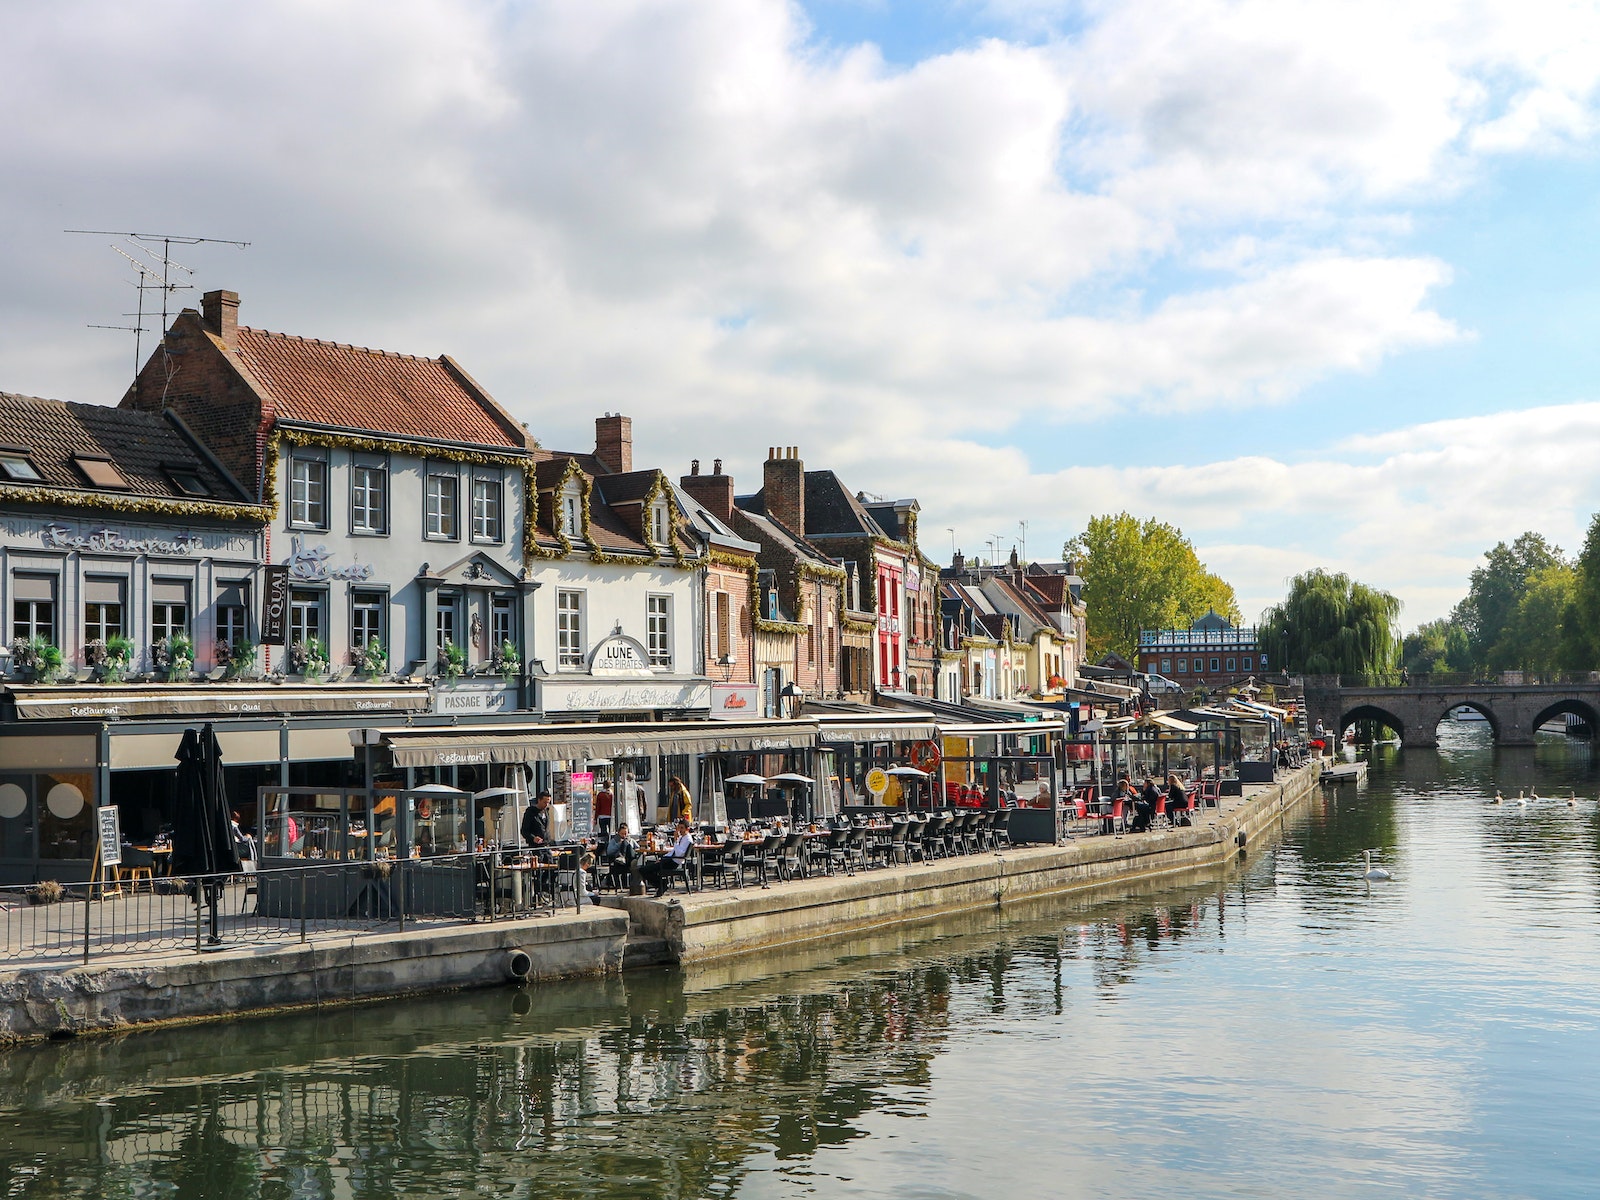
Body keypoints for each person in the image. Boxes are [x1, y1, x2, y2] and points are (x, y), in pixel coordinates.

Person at [641, 818, 694, 897]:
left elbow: (679, 853)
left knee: (644, 870)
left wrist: (675, 841)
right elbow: (673, 851)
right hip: (670, 859)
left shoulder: (688, 840)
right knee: (647, 867)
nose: (680, 830)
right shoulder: (682, 837)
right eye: (679, 828)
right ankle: (662, 884)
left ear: (687, 829)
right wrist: (663, 858)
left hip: (674, 862)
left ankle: (662, 884)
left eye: (682, 828)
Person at [604, 823, 638, 891]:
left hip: (629, 860)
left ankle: (627, 858)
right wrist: (619, 844)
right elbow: (609, 851)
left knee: (627, 845)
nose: (624, 835)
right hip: (619, 863)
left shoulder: (631, 840)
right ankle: (623, 857)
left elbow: (638, 848)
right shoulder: (614, 840)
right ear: (618, 833)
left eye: (626, 833)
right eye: (622, 834)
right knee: (624, 843)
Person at [521, 790, 552, 858]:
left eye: (548, 803)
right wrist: (533, 838)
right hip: (536, 848)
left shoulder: (546, 811)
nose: (546, 805)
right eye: (544, 802)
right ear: (539, 800)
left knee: (550, 865)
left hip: (546, 846)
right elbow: (524, 831)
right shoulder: (531, 812)